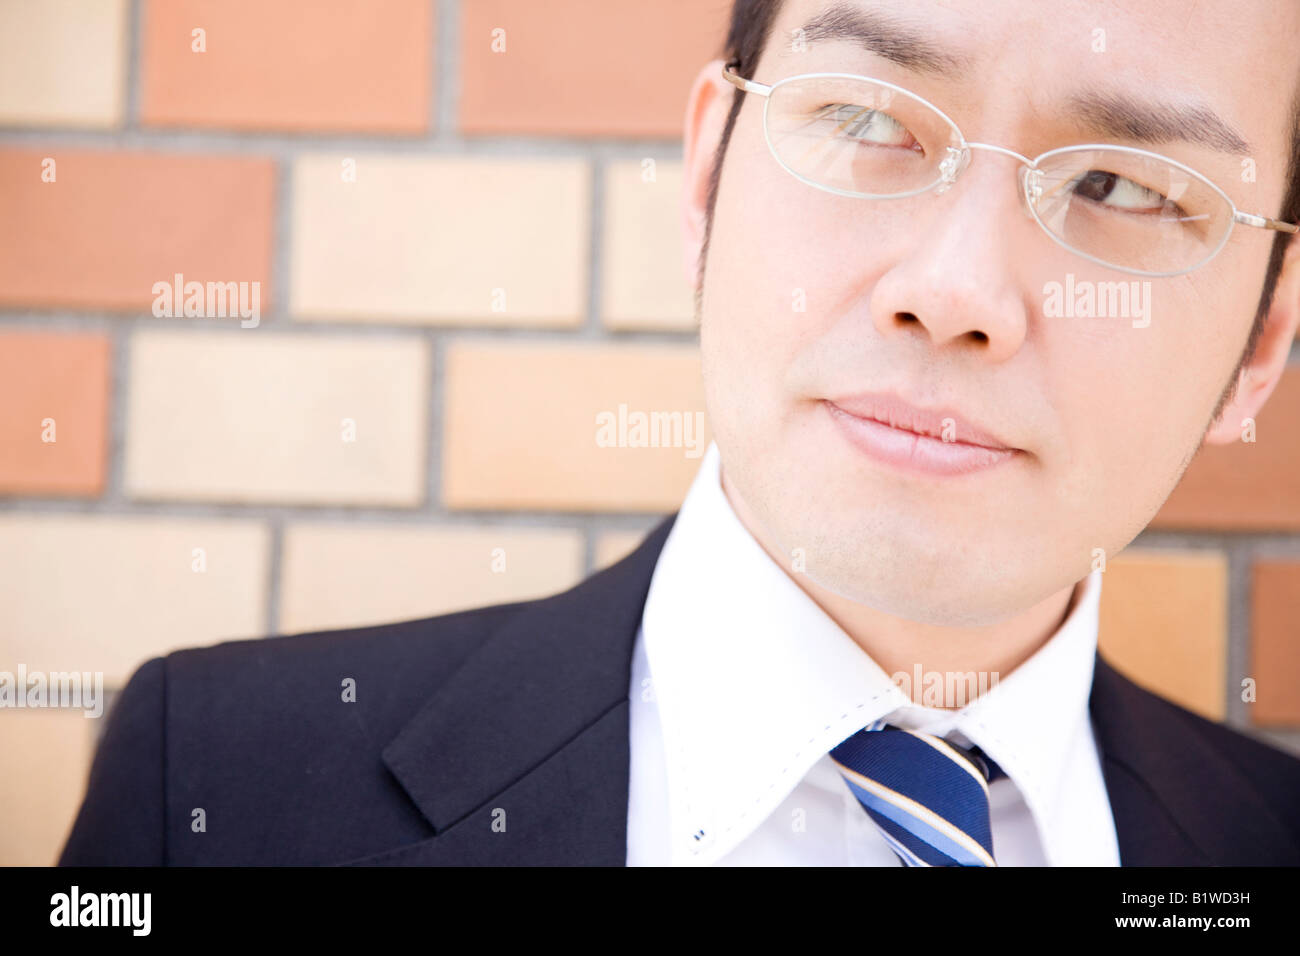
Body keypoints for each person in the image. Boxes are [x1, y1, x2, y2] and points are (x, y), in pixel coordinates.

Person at [60, 0, 1300, 866]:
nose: (958, 288)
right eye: (870, 121)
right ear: (706, 177)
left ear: (1260, 344)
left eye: (1128, 189)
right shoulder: (217, 787)